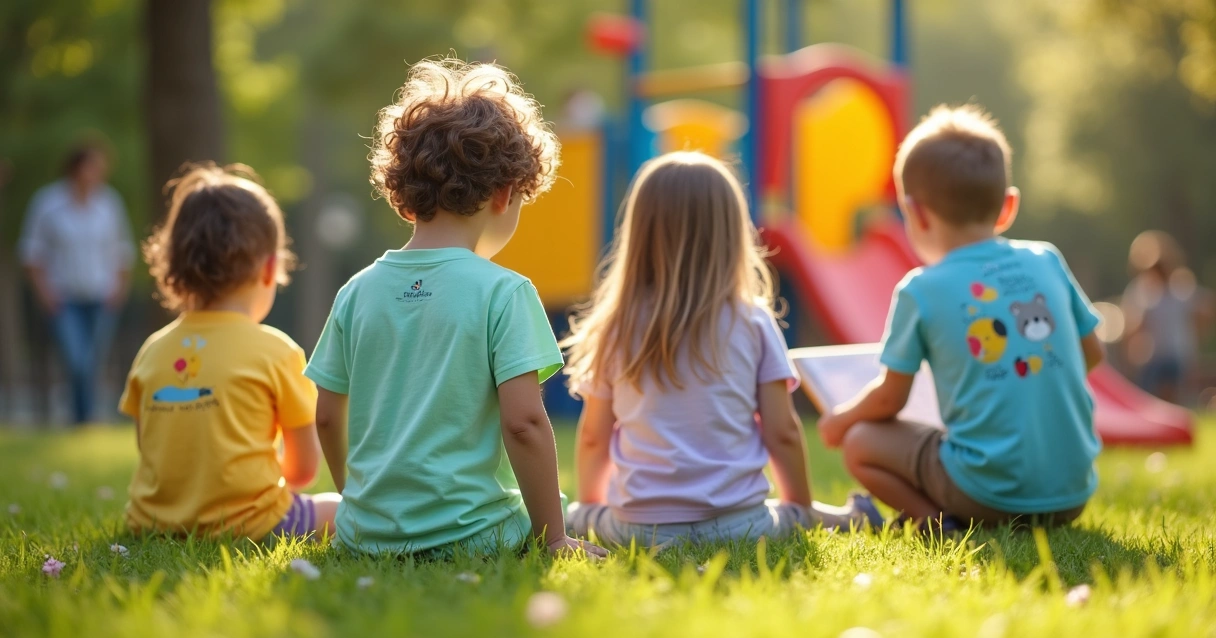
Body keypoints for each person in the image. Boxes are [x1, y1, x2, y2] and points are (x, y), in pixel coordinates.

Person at [306, 58, 606, 558]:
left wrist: (358, 507)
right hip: (474, 538)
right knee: (550, 503)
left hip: (364, 537)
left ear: (403, 200)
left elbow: (328, 420)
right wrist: (552, 538)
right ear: (505, 194)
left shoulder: (356, 292)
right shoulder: (504, 292)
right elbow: (524, 423)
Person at [560, 151, 880, 548]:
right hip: (741, 524)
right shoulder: (754, 322)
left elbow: (594, 435)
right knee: (789, 514)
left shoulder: (615, 327)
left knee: (571, 515)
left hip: (641, 530)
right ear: (732, 234)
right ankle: (839, 517)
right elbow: (782, 430)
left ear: (639, 234)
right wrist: (799, 506)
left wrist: (594, 505)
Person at [818, 105, 1105, 530]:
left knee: (860, 443)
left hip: (985, 495)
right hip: (1071, 496)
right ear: (1007, 208)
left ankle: (936, 521)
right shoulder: (1047, 259)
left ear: (915, 214)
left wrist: (838, 419)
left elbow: (889, 399)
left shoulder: (920, 289)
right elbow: (1093, 354)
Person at [119, 163, 339, 540]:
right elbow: (302, 471)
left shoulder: (151, 351)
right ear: (270, 269)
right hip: (255, 523)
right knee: (339, 507)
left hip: (152, 524)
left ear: (171, 265)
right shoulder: (277, 351)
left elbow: (151, 449)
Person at [20, 141, 135, 425]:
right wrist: (45, 293)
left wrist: (119, 289)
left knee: (93, 361)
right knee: (76, 360)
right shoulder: (47, 203)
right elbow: (32, 252)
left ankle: (87, 420)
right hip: (64, 297)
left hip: (101, 295)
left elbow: (121, 250)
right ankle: (81, 418)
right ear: (76, 167)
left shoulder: (109, 203)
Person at [1121, 230, 1215, 403]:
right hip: (1156, 356)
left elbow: (1206, 309)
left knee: (1171, 398)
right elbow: (1135, 327)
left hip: (1178, 356)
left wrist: (1197, 334)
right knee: (1152, 398)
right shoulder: (1144, 290)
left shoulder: (1181, 287)